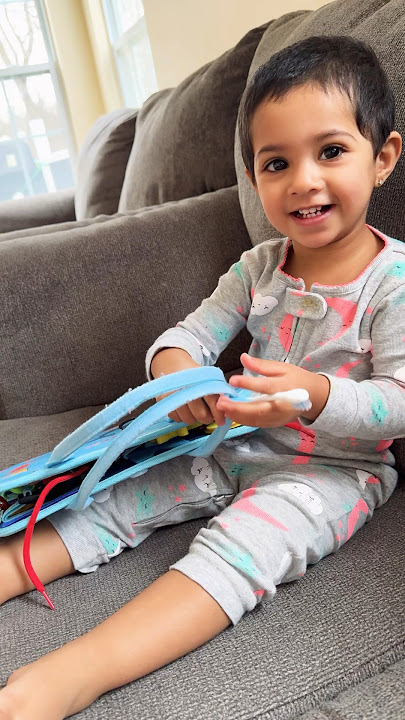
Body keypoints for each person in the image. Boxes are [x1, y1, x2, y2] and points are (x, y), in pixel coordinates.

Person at [0, 35, 403, 720]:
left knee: (246, 545)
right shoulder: (257, 268)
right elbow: (182, 339)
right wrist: (183, 382)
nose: (303, 179)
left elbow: (396, 402)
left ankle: (75, 674)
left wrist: (313, 395)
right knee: (114, 497)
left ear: (382, 157)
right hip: (226, 445)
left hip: (332, 472)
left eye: (330, 151)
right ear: (254, 177)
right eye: (277, 163)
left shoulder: (390, 282)